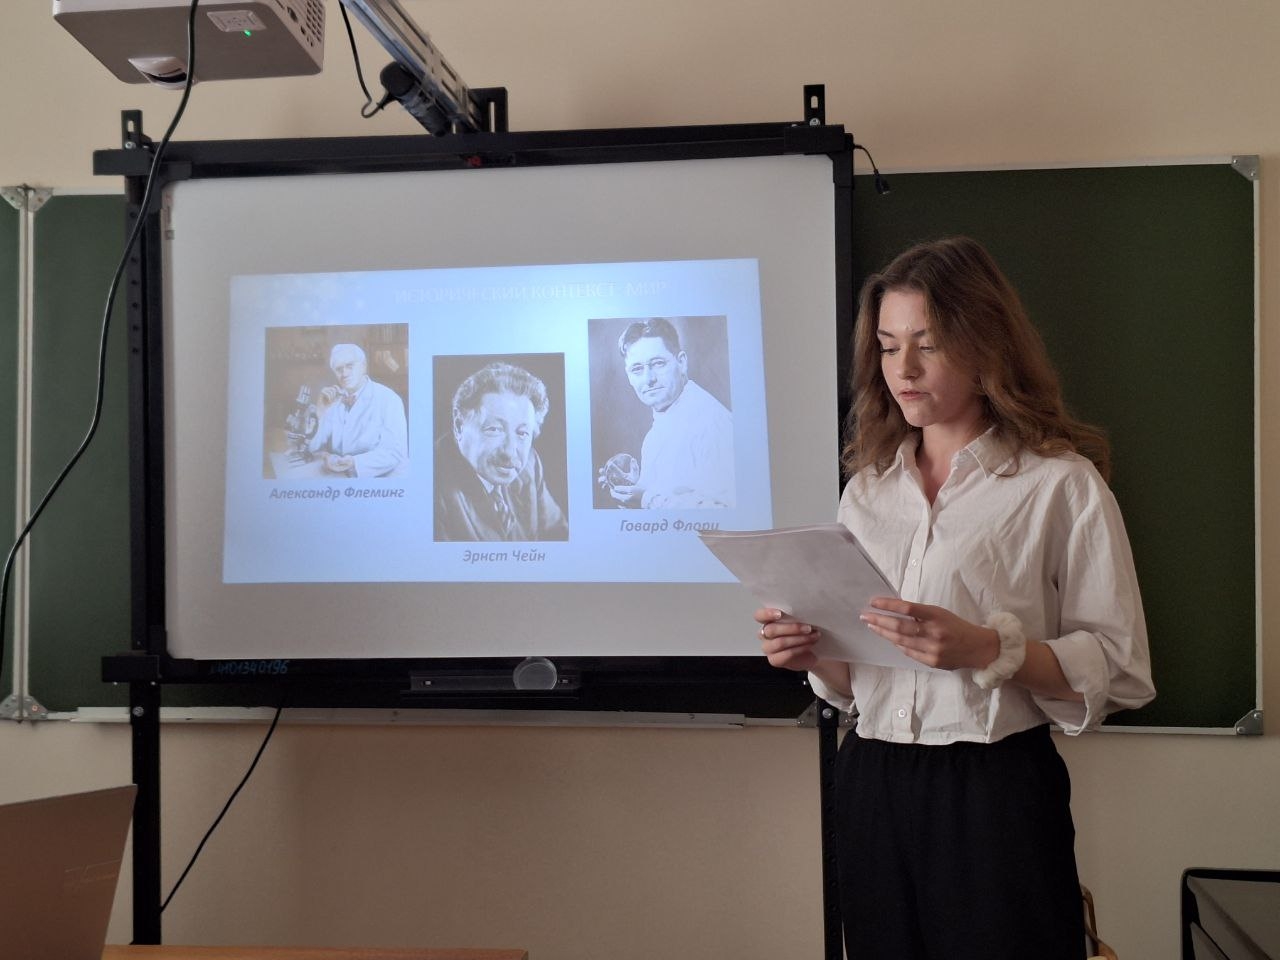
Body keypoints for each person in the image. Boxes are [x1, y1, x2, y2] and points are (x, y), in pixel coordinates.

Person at [756, 237, 1155, 960]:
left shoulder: (1059, 484)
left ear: (985, 345)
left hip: (993, 789)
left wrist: (987, 649)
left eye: (928, 344)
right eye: (887, 347)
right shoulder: (867, 491)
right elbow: (858, 681)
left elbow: (1120, 666)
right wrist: (812, 653)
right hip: (871, 778)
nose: (903, 369)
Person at [600, 317, 735, 509]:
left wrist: (646, 498)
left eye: (658, 363)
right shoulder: (659, 427)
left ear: (682, 363)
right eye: (637, 369)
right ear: (628, 376)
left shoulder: (712, 423)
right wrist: (636, 487)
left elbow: (728, 513)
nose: (649, 379)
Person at [434, 361, 568, 542]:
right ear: (459, 426)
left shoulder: (530, 465)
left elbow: (559, 535)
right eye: (494, 429)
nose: (510, 452)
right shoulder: (432, 484)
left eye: (522, 433)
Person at [306, 343, 408, 478]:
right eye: (339, 369)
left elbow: (395, 453)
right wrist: (321, 413)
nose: (344, 374)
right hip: (343, 478)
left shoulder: (389, 399)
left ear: (363, 366)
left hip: (384, 481)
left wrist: (355, 462)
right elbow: (313, 448)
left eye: (350, 366)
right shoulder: (334, 401)